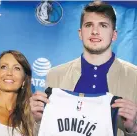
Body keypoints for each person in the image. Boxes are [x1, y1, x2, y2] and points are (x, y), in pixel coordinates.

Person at [30, 1, 137, 136]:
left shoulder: (134, 77)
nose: (95, 31)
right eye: (88, 25)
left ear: (114, 35)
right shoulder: (55, 75)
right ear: (80, 33)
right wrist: (39, 120)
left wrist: (133, 129)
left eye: (103, 25)